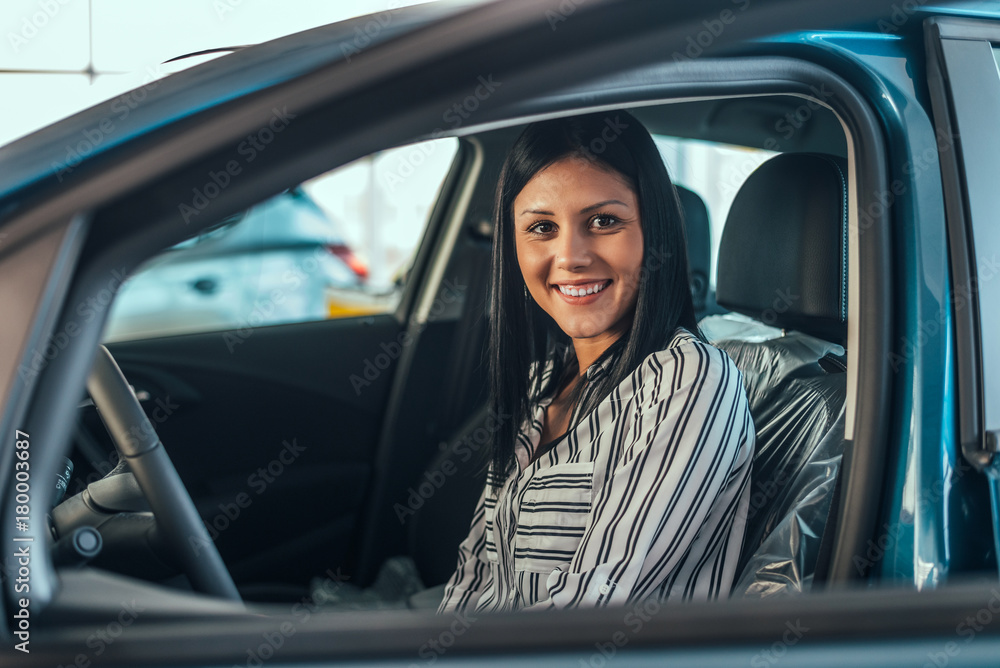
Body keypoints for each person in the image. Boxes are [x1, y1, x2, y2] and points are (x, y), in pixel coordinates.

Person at [438, 111, 755, 613]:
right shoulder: (545, 382)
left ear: (656, 231)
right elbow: (475, 575)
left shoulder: (689, 379)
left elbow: (594, 608)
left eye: (604, 221)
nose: (570, 256)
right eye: (542, 227)